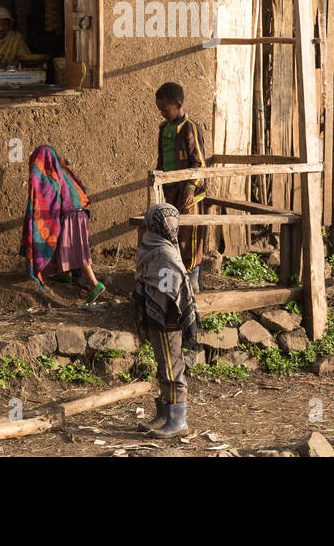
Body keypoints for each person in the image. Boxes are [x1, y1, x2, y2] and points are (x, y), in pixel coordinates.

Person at [132, 202, 198, 438]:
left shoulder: (165, 253)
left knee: (172, 368)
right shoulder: (157, 246)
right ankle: (164, 414)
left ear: (154, 225)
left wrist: (161, 309)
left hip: (168, 321)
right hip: (158, 317)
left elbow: (171, 288)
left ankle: (178, 420)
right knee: (164, 366)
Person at [20, 145, 104, 304]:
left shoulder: (49, 175)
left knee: (77, 250)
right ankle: (66, 274)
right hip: (81, 212)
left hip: (70, 214)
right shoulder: (63, 171)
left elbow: (43, 199)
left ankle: (95, 283)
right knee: (71, 245)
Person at [154, 81, 208, 292]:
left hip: (188, 193)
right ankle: (176, 275)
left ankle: (193, 276)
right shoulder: (164, 129)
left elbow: (199, 163)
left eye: (165, 110)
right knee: (172, 232)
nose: (162, 114)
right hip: (171, 190)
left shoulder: (190, 128)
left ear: (177, 104)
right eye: (160, 110)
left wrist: (191, 188)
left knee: (189, 233)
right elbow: (161, 160)